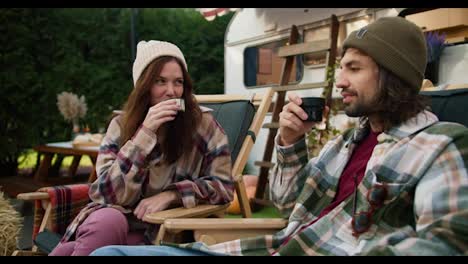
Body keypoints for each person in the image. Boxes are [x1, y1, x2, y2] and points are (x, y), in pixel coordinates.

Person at [91, 17, 468, 256]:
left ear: (391, 75)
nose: (339, 81)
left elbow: (446, 243)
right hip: (269, 247)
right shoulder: (345, 144)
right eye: (340, 68)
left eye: (353, 68)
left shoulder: (440, 144)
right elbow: (289, 206)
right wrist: (289, 142)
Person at [49, 40, 234, 256]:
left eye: (178, 82)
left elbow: (224, 187)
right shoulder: (120, 125)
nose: (171, 91)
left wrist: (172, 195)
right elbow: (107, 195)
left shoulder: (204, 125)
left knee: (67, 252)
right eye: (160, 81)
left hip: (161, 230)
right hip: (115, 220)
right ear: (143, 86)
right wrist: (144, 135)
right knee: (108, 220)